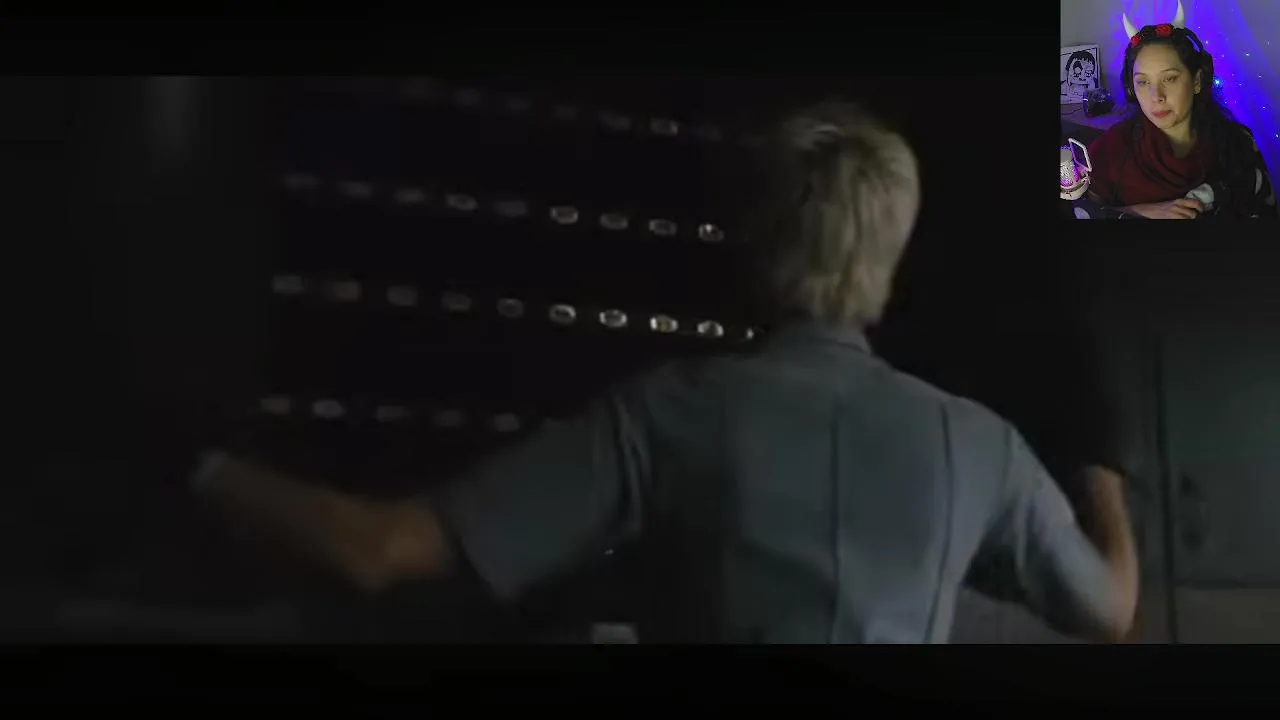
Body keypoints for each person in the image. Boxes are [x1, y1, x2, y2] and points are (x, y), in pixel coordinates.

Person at [193, 101, 1139, 643]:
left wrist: (197, 469)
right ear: (894, 253)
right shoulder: (977, 446)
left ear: (754, 242)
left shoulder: (671, 414)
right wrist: (1098, 464)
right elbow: (1109, 607)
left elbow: (382, 549)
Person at [1083, 7, 1277, 220]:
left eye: (1170, 78)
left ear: (1196, 81)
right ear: (1131, 88)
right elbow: (1080, 211)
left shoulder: (1238, 142)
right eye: (1143, 82)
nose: (1156, 96)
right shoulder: (1111, 149)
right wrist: (1140, 211)